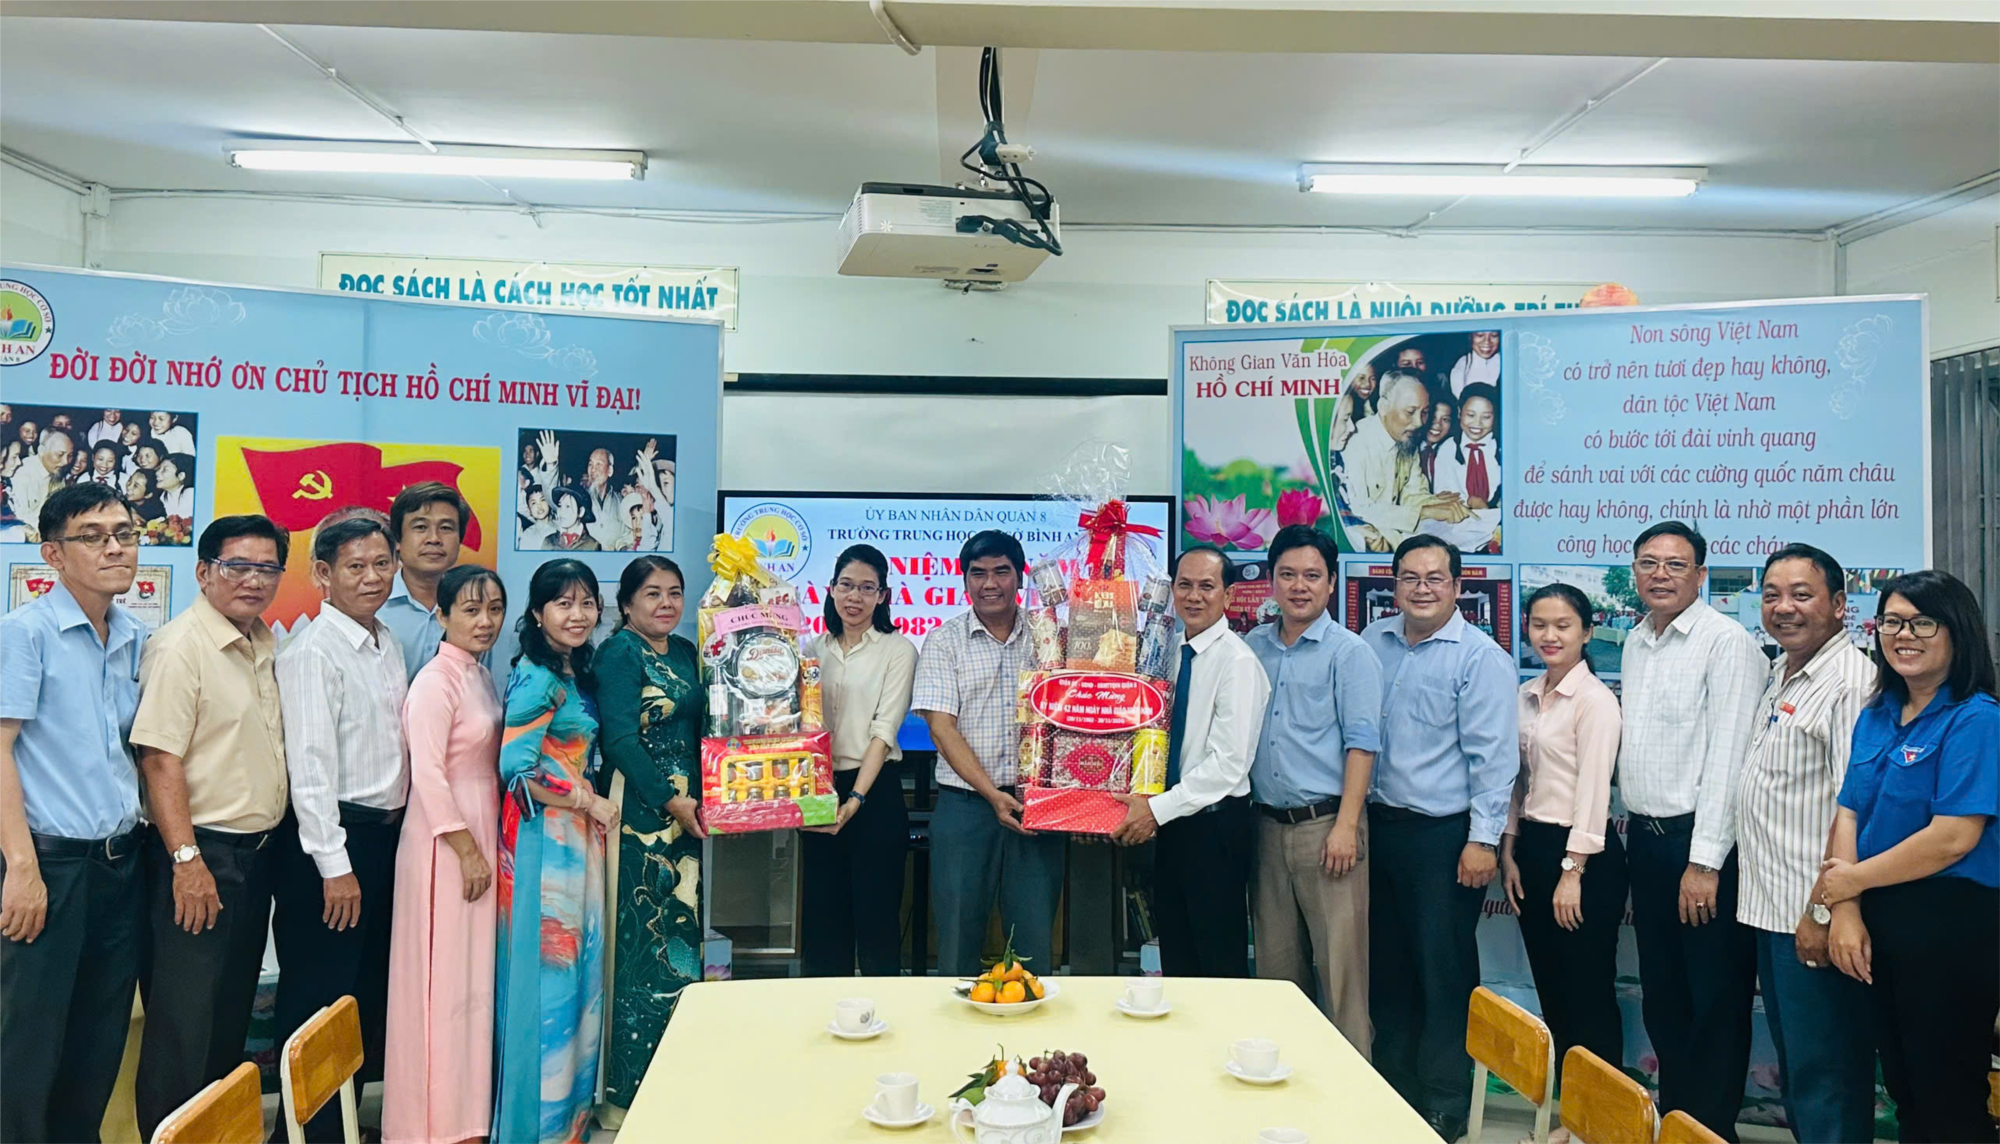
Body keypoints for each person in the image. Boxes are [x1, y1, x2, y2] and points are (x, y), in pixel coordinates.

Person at [1820, 570, 2000, 1144]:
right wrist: (1847, 911)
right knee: (1903, 1086)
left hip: (1951, 923)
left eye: (1923, 623)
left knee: (1947, 1093)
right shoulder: (1876, 712)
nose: (1904, 635)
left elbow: (1953, 836)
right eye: (1892, 622)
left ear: (1957, 631)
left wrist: (1848, 884)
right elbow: (1848, 813)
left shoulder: (1977, 718)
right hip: (1879, 915)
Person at [130, 515, 291, 1142]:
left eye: (267, 568)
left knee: (228, 1021)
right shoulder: (181, 646)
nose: (254, 580)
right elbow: (158, 758)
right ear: (204, 572)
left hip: (255, 857)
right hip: (200, 857)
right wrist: (186, 860)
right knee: (183, 1028)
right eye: (237, 566)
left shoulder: (262, 642)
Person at [0, 485, 147, 1144]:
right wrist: (21, 868)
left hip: (121, 866)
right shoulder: (26, 634)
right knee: (28, 1044)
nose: (115, 547)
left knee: (98, 1039)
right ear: (53, 555)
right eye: (93, 536)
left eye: (125, 532)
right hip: (51, 868)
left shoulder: (134, 636)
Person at [1361, 534, 1517, 1143]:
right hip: (1378, 831)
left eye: (1435, 578)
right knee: (1388, 966)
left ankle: (1446, 1099)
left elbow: (1494, 760)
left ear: (1457, 586)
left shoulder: (1480, 658)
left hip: (1444, 839)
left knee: (1442, 971)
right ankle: (1393, 1086)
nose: (1421, 588)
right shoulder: (1372, 642)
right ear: (1393, 584)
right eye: (1410, 577)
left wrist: (1483, 841)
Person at [1616, 520, 1766, 1143]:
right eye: (1648, 563)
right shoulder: (1635, 640)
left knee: (1714, 1002)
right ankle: (1678, 1123)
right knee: (1664, 996)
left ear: (1701, 575)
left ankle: (1712, 1131)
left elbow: (1729, 758)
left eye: (1676, 565)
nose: (1660, 575)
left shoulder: (1726, 644)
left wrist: (1704, 864)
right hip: (1647, 842)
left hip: (1701, 851)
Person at [270, 515, 410, 1144]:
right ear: (323, 574)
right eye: (356, 566)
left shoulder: (386, 641)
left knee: (361, 996)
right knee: (317, 999)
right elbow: (310, 771)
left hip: (384, 839)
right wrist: (335, 866)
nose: (372, 577)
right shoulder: (312, 652)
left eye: (382, 563)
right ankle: (304, 1135)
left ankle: (344, 1127)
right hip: (332, 846)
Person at [1734, 544, 1875, 1144]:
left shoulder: (1850, 683)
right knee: (1800, 1069)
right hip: (1774, 909)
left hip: (1814, 912)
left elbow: (1854, 810)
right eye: (1772, 595)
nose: (1783, 607)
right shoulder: (1783, 669)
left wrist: (1825, 912)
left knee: (1826, 1074)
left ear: (1840, 605)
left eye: (1801, 594)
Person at [1244, 525, 1382, 1053]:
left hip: (1327, 829)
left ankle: (1354, 1093)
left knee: (1341, 977)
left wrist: (1346, 827)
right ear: (1271, 581)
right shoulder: (1251, 648)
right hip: (1264, 828)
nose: (1299, 586)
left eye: (1311, 575)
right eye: (1287, 575)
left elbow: (1362, 746)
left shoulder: (1349, 653)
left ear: (1331, 583)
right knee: (1277, 976)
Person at [383, 565, 506, 1144]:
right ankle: (425, 1124)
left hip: (480, 829)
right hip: (444, 840)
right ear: (442, 615)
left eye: (494, 609)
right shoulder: (436, 680)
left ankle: (466, 1117)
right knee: (439, 982)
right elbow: (427, 774)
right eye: (471, 610)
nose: (485, 622)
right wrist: (465, 848)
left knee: (470, 982)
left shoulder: (480, 675)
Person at [494, 561, 612, 1144]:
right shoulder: (536, 676)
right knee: (552, 986)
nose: (577, 614)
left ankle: (569, 1124)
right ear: (538, 613)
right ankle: (537, 1129)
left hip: (576, 839)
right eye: (563, 603)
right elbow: (516, 769)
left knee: (579, 980)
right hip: (544, 839)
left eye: (587, 602)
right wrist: (586, 800)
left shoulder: (571, 668)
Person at [1500, 582, 1628, 1121]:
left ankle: (1601, 1124)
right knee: (1553, 993)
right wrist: (1509, 849)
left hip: (1583, 859)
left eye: (1563, 626)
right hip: (1532, 848)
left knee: (1587, 995)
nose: (1549, 635)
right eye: (1539, 625)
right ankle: (1570, 1118)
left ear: (1587, 632)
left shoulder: (1595, 701)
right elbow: (1515, 779)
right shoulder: (1526, 694)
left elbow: (1595, 794)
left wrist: (1572, 872)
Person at [1112, 545, 1269, 978]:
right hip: (1172, 823)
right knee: (1178, 956)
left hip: (1214, 827)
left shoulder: (1237, 662)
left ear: (1228, 595)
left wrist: (1155, 810)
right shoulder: (1170, 653)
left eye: (1206, 586)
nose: (1193, 596)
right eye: (1184, 585)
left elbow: (1228, 765)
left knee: (1217, 962)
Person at [912, 530, 1065, 976]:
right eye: (978, 573)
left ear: (1020, 576)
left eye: (1001, 571)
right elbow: (941, 728)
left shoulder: (1049, 637)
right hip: (965, 809)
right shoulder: (944, 641)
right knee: (958, 941)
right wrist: (992, 795)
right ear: (965, 581)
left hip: (1037, 808)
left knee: (1034, 945)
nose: (990, 583)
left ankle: (1033, 1021)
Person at [594, 556, 706, 1123]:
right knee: (639, 946)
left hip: (687, 817)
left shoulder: (685, 651)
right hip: (640, 812)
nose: (666, 603)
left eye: (675, 592)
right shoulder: (618, 653)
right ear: (627, 603)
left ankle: (673, 1083)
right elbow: (618, 740)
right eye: (653, 593)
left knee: (681, 941)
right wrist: (668, 800)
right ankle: (625, 1097)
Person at [801, 545, 917, 978]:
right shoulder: (812, 649)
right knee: (823, 923)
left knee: (877, 925)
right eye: (846, 585)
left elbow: (883, 733)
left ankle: (880, 1015)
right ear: (831, 589)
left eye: (868, 588)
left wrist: (855, 799)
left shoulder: (898, 650)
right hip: (819, 789)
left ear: (883, 596)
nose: (855, 597)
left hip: (875, 792)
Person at [1339, 370, 1471, 553]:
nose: (1419, 422)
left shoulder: (1407, 438)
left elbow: (1414, 494)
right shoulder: (1354, 442)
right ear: (1383, 407)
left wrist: (1440, 505)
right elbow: (1358, 510)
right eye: (1410, 412)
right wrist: (1425, 512)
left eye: (1424, 412)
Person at [380, 481, 478, 683]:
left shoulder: (476, 609)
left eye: (446, 528)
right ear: (397, 540)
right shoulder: (374, 606)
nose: (434, 538)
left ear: (460, 540)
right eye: (421, 527)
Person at [1430, 383, 1501, 512]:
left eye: (1486, 417)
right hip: (1458, 516)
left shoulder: (1503, 448)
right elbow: (1443, 494)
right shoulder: (1447, 448)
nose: (1477, 423)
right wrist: (1469, 501)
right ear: (1459, 412)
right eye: (1470, 415)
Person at [9, 429, 73, 538]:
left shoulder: (58, 471)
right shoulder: (22, 473)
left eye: (70, 455)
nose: (65, 462)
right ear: (42, 451)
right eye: (60, 454)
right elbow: (19, 517)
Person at [583, 448, 630, 551]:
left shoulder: (621, 501)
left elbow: (628, 534)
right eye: (590, 464)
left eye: (598, 464)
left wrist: (622, 547)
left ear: (610, 471)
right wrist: (551, 465)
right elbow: (554, 501)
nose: (593, 470)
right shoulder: (580, 499)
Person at [1327, 361, 1380, 454]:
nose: (1368, 384)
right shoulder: (1341, 405)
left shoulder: (1376, 405)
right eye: (1361, 378)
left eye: (1373, 378)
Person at [546, 486, 600, 552]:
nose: (562, 511)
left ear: (581, 512)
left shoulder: (592, 546)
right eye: (560, 506)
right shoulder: (548, 542)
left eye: (568, 506)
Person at [1448, 330, 1501, 396]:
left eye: (1494, 335)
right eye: (1480, 335)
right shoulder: (1462, 364)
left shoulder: (1506, 362)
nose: (1487, 341)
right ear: (1470, 336)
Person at [1417, 397, 1454, 487]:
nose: (1437, 424)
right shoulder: (1408, 448)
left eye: (1445, 419)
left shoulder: (1451, 452)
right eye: (1432, 417)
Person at [157, 453, 195, 522]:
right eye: (159, 469)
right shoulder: (163, 496)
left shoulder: (191, 494)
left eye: (165, 470)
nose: (157, 473)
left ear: (181, 476)